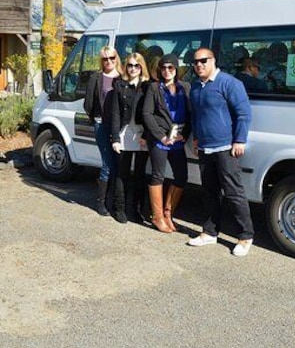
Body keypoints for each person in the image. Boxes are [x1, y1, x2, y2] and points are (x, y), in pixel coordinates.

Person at [187, 48, 255, 257]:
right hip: (205, 148)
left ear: (213, 60)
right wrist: (197, 137)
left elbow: (244, 113)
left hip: (226, 148)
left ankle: (245, 236)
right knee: (209, 192)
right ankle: (210, 232)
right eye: (195, 62)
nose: (199, 65)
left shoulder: (229, 83)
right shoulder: (196, 87)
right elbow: (197, 116)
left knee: (234, 193)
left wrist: (239, 140)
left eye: (203, 61)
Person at [142, 54, 191, 233]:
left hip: (177, 140)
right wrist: (161, 136)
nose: (167, 71)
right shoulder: (154, 88)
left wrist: (184, 135)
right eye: (163, 68)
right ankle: (157, 217)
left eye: (170, 68)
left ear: (176, 69)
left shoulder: (185, 87)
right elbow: (147, 114)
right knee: (158, 176)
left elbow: (191, 113)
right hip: (159, 140)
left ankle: (168, 213)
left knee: (181, 176)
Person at [108, 53, 151, 224]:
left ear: (142, 67)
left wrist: (147, 136)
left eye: (137, 65)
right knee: (122, 174)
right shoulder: (120, 85)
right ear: (126, 67)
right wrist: (115, 139)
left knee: (140, 175)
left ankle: (138, 210)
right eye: (130, 65)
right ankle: (119, 208)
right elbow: (116, 113)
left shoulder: (148, 86)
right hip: (125, 134)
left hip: (142, 136)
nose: (133, 69)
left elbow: (152, 113)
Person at [84, 46, 121, 216]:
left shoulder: (122, 78)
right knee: (107, 164)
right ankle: (101, 202)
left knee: (117, 165)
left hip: (120, 127)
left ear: (116, 58)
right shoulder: (96, 78)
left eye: (112, 58)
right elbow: (88, 103)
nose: (109, 62)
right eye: (105, 59)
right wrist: (96, 118)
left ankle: (113, 200)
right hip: (102, 125)